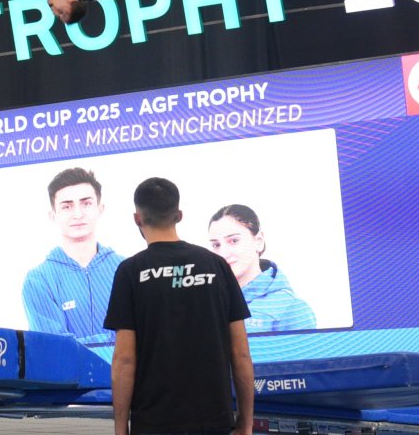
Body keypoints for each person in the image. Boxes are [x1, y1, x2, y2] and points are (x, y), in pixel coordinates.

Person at [105, 178, 254, 435]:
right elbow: (240, 353)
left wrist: (121, 429)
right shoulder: (216, 266)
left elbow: (125, 359)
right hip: (213, 422)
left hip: (153, 424)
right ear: (179, 215)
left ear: (137, 218)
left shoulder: (130, 272)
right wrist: (246, 423)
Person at [21, 166, 124, 357]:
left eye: (86, 203)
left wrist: (82, 345)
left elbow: (145, 339)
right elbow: (55, 350)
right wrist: (117, 344)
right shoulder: (38, 281)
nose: (78, 214)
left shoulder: (126, 269)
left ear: (100, 209)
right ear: (53, 215)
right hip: (71, 387)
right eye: (67, 206)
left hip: (132, 386)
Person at [206, 203, 316, 333]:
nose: (223, 253)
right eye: (216, 245)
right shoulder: (206, 302)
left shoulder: (292, 309)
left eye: (234, 241)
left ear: (258, 241)